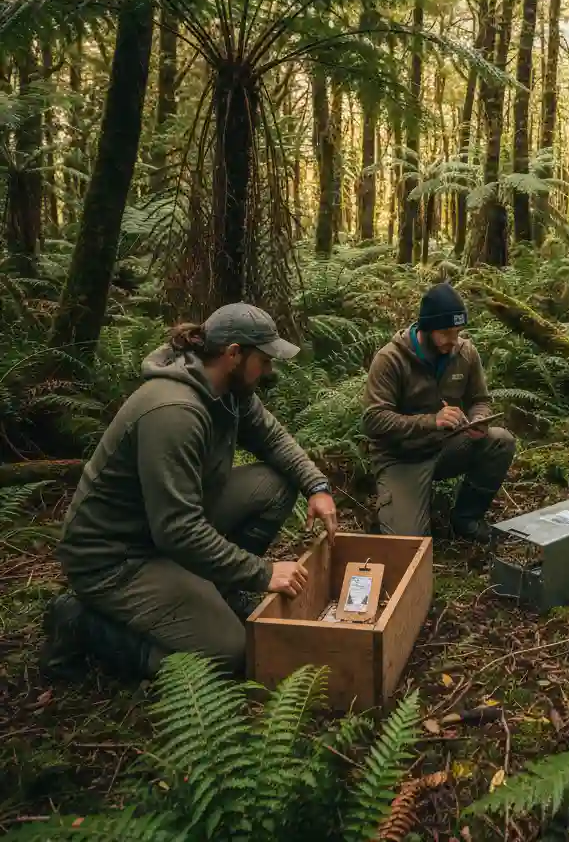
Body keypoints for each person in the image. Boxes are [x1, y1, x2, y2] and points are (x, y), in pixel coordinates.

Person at [41, 303, 338, 682]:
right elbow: (177, 529)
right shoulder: (174, 411)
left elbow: (273, 438)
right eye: (263, 360)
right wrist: (261, 573)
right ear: (233, 354)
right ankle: (79, 623)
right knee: (231, 652)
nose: (269, 371)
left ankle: (219, 589)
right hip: (118, 558)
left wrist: (317, 486)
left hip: (165, 527)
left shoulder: (229, 389)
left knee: (276, 485)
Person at [362, 282, 515, 542]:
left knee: (500, 441)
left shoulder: (465, 353)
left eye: (458, 332)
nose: (453, 340)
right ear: (426, 328)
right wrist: (432, 421)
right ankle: (392, 509)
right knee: (409, 545)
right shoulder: (391, 359)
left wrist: (478, 419)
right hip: (401, 458)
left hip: (446, 448)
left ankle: (466, 518)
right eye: (445, 332)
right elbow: (373, 420)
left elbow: (480, 399)